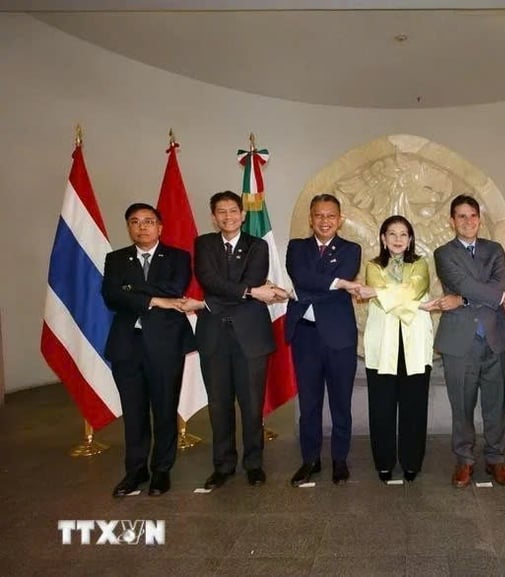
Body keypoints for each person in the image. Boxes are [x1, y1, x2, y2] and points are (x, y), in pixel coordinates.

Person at [433, 194, 505, 488]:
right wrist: (497, 298)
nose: (468, 221)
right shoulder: (443, 253)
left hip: (495, 338)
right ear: (452, 221)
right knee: (461, 405)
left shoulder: (495, 249)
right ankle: (464, 460)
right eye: (461, 216)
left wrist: (462, 299)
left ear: (479, 218)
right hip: (460, 340)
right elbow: (465, 284)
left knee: (495, 404)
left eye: (472, 215)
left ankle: (496, 459)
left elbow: (497, 283)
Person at [102, 203, 194, 498]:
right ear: (128, 227)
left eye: (148, 221)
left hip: (166, 345)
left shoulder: (178, 257)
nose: (142, 227)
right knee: (134, 412)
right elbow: (112, 296)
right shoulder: (115, 259)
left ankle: (161, 470)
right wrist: (154, 300)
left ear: (160, 227)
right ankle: (135, 470)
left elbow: (174, 287)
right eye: (135, 222)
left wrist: (134, 289)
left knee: (165, 409)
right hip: (127, 346)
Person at [189, 191, 276, 490]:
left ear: (243, 214)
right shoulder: (204, 244)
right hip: (214, 336)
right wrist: (249, 293)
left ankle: (254, 464)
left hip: (250, 336)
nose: (228, 216)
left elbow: (253, 277)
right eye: (221, 212)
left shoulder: (258, 246)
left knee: (252, 405)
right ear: (213, 217)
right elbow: (208, 281)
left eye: (233, 211)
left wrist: (215, 300)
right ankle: (223, 465)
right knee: (219, 404)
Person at [353, 216, 438, 483]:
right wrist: (419, 305)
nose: (398, 239)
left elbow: (414, 288)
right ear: (383, 238)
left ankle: (412, 462)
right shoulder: (373, 265)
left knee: (414, 406)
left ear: (410, 239)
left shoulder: (421, 264)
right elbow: (390, 298)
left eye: (404, 234)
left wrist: (379, 292)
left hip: (414, 344)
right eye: (392, 234)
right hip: (383, 344)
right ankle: (384, 462)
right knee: (382, 407)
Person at [285, 194, 362, 486]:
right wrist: (337, 284)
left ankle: (339, 460)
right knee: (309, 403)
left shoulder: (351, 249)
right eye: (319, 215)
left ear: (339, 219)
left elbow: (310, 282)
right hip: (305, 335)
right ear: (310, 218)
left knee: (341, 402)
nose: (325, 221)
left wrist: (298, 293)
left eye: (331, 216)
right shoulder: (296, 247)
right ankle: (310, 460)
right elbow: (300, 275)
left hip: (339, 336)